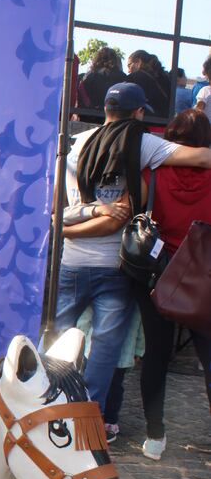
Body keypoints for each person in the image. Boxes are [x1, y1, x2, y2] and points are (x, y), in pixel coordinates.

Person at [54, 83, 211, 414]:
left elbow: (57, 211)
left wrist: (68, 229)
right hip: (115, 266)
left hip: (71, 262)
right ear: (139, 112)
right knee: (105, 349)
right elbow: (200, 156)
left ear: (106, 109)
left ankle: (44, 404)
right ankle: (88, 414)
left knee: (54, 338)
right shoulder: (144, 144)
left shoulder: (74, 144)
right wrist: (102, 212)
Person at [133, 108, 211, 459]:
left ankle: (155, 435)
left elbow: (136, 209)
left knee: (156, 354)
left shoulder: (154, 172)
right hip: (203, 276)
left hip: (159, 273)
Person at [75, 46, 124, 116]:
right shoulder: (123, 77)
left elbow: (81, 95)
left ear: (97, 59)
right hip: (113, 118)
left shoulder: (88, 76)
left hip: (89, 116)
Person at [126, 50, 168, 119]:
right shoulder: (164, 77)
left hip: (143, 120)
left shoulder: (134, 77)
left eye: (129, 65)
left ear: (138, 62)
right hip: (163, 121)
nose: (128, 70)